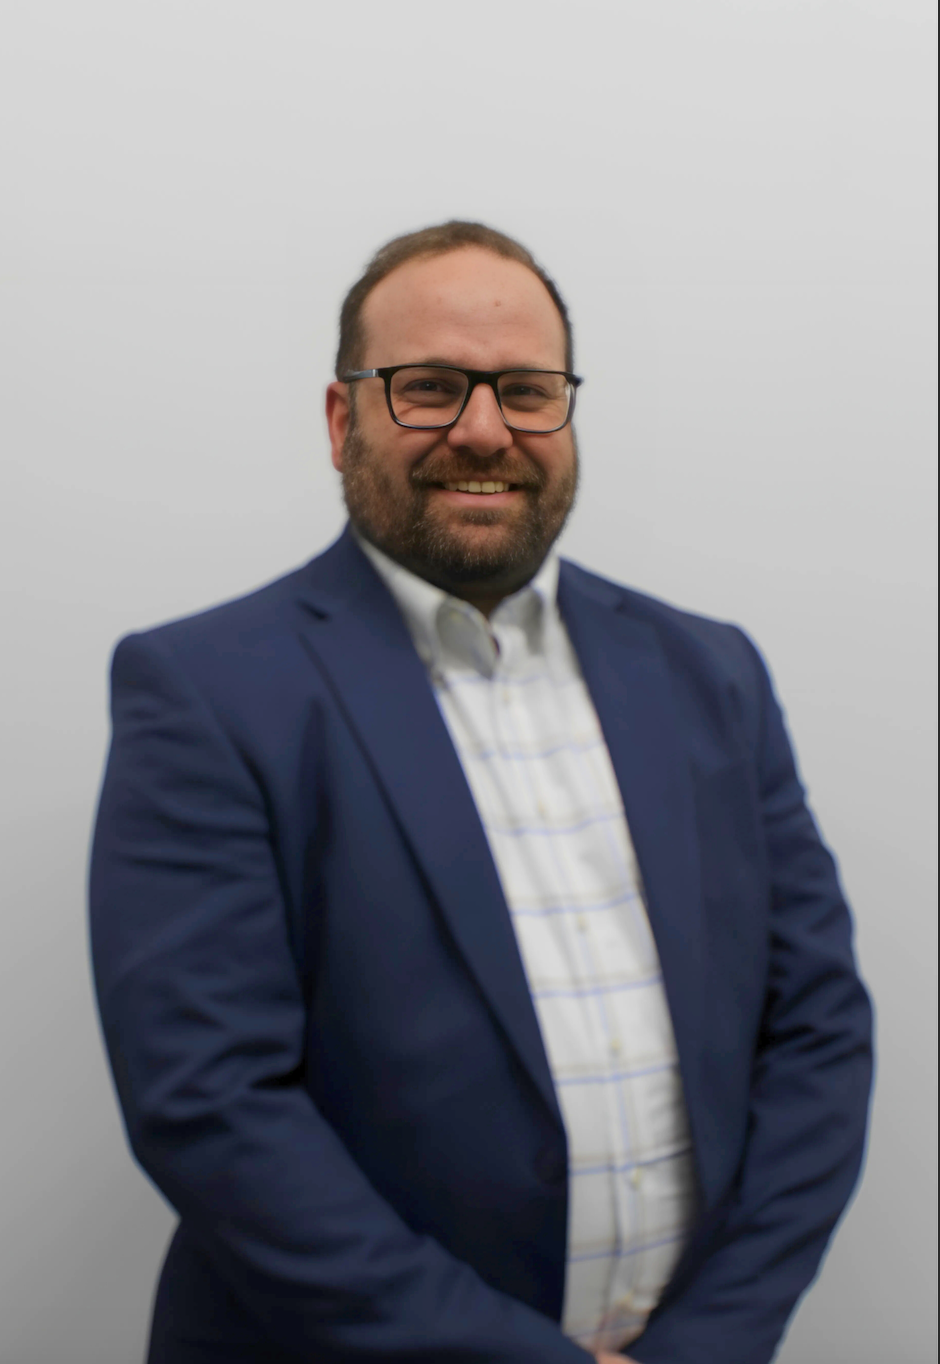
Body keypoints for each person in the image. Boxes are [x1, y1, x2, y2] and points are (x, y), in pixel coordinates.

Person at [90, 220, 873, 1364]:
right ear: (338, 417)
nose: (482, 428)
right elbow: (211, 1107)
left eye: (525, 389)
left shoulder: (711, 673)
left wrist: (710, 1341)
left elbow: (817, 1034)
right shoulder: (205, 692)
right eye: (428, 387)